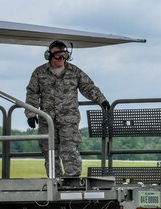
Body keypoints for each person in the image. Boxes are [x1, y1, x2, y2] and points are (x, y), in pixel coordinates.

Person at [25, 40, 109, 178]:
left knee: (69, 150)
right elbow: (32, 93)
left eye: (65, 56)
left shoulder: (74, 71)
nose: (62, 59)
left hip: (69, 121)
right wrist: (31, 113)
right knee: (50, 152)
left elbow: (88, 87)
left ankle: (72, 181)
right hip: (48, 121)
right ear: (49, 56)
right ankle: (54, 180)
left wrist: (102, 100)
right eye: (58, 56)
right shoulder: (39, 73)